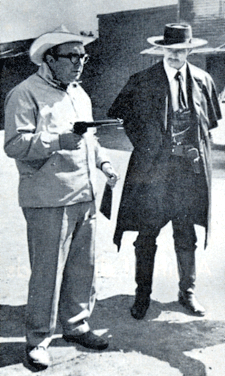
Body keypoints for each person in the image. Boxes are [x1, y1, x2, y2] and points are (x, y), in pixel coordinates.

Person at [4, 25, 118, 369]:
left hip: (83, 195)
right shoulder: (25, 93)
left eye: (83, 56)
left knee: (83, 267)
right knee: (47, 273)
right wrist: (56, 142)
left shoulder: (78, 94)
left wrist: (105, 163)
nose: (80, 62)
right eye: (72, 56)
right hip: (47, 199)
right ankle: (38, 339)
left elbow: (91, 139)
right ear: (49, 59)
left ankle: (77, 324)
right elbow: (13, 145)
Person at [108, 23, 222, 321]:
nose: (175, 54)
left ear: (189, 50)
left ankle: (188, 294)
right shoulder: (141, 81)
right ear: (161, 49)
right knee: (146, 237)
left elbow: (208, 124)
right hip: (153, 177)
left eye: (181, 49)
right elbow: (126, 120)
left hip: (188, 177)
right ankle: (142, 296)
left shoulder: (203, 80)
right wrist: (150, 148)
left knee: (186, 236)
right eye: (170, 49)